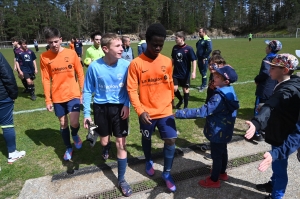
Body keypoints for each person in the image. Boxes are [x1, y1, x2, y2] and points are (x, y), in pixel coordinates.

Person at [127, 23, 178, 192]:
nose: (157, 47)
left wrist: (170, 101)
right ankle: (148, 160)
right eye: (154, 44)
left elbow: (170, 82)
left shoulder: (167, 61)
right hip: (147, 113)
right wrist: (140, 111)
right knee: (147, 139)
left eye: (161, 44)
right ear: (146, 41)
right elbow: (131, 90)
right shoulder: (136, 63)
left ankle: (167, 173)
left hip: (165, 111)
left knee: (171, 140)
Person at [244, 53, 300, 199]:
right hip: (280, 131)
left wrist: (257, 122)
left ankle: (277, 196)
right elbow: (279, 105)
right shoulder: (288, 82)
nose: (269, 70)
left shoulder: (287, 89)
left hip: (284, 137)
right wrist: (263, 106)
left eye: (273, 67)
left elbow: (275, 103)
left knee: (279, 168)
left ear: (285, 70)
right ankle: (273, 183)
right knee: (276, 165)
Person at [83, 33, 132, 197]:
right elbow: (88, 90)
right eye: (117, 46)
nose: (122, 48)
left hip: (120, 108)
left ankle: (122, 179)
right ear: (105, 49)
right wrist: (87, 114)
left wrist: (127, 104)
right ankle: (103, 144)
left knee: (121, 143)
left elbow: (130, 88)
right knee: (104, 140)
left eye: (121, 45)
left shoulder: (126, 65)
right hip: (101, 108)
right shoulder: (94, 67)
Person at [175, 66, 239, 188]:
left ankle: (214, 180)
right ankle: (222, 173)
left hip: (217, 131)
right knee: (223, 151)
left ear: (226, 81)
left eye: (218, 76)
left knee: (216, 155)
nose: (214, 77)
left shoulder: (219, 97)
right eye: (215, 75)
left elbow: (202, 111)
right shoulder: (230, 91)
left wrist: (179, 113)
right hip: (225, 130)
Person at [40, 27, 84, 161]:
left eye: (55, 41)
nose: (53, 45)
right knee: (63, 123)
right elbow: (45, 80)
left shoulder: (71, 53)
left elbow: (80, 73)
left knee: (74, 122)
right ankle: (68, 147)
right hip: (58, 97)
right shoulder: (44, 57)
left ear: (60, 40)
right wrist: (48, 100)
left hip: (73, 94)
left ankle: (75, 135)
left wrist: (82, 92)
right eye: (50, 42)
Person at [252, 40, 282, 142]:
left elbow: (265, 73)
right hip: (273, 88)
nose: (266, 48)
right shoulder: (278, 58)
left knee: (259, 109)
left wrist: (257, 79)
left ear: (270, 48)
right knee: (268, 109)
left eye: (267, 46)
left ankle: (256, 132)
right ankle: (265, 130)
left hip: (264, 88)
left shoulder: (268, 58)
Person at [0, 52, 26, 164]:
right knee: (7, 124)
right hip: (2, 96)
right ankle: (12, 153)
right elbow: (6, 73)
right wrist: (13, 94)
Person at [171, 31, 197, 109]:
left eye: (177, 38)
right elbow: (173, 59)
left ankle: (185, 107)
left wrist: (194, 72)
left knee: (185, 90)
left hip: (185, 74)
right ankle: (181, 99)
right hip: (176, 73)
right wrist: (169, 68)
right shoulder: (175, 48)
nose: (175, 39)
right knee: (174, 88)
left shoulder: (189, 49)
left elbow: (194, 60)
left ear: (182, 38)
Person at [196, 28, 212, 92]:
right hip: (199, 59)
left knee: (203, 72)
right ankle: (203, 84)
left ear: (204, 32)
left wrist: (204, 57)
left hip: (204, 59)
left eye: (200, 32)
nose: (199, 33)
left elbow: (209, 49)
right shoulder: (200, 40)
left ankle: (204, 85)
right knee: (201, 72)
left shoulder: (207, 40)